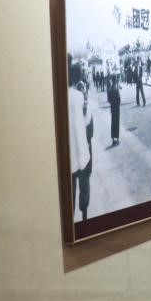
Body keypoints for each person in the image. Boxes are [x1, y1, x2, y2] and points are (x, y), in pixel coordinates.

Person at [67, 65, 93, 222]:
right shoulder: (79, 96)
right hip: (82, 149)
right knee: (84, 185)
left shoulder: (62, 97)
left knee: (70, 189)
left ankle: (70, 218)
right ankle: (84, 215)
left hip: (69, 153)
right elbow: (87, 119)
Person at [106, 74, 121, 146]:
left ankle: (113, 139)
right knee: (117, 123)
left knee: (113, 123)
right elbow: (119, 99)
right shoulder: (116, 88)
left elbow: (109, 100)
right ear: (116, 80)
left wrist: (112, 103)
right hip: (117, 108)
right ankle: (117, 139)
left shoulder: (110, 89)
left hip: (112, 108)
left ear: (112, 80)